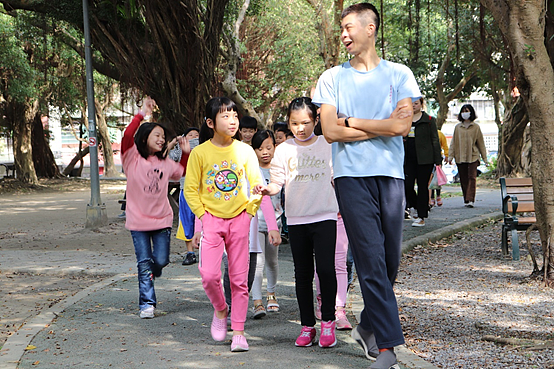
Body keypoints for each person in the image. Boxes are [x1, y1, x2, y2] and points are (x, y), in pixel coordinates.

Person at [312, 3, 420, 368]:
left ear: (370, 28)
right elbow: (329, 131)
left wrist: (354, 122)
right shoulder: (331, 78)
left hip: (391, 175)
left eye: (348, 27)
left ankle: (366, 326)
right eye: (341, 28)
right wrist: (380, 125)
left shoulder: (399, 74)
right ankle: (388, 348)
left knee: (389, 261)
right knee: (371, 259)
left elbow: (402, 127)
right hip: (351, 178)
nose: (343, 35)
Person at [254, 97, 338, 349]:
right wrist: (267, 188)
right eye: (294, 123)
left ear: (316, 120)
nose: (300, 128)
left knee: (325, 269)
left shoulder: (328, 143)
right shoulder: (284, 149)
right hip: (298, 219)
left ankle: (328, 321)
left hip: (325, 216)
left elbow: (338, 177)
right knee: (302, 274)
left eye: (305, 122)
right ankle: (307, 326)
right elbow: (277, 181)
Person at [184, 97, 263, 352]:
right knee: (209, 275)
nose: (232, 121)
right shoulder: (199, 152)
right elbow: (190, 190)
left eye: (235, 115)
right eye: (225, 116)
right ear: (210, 122)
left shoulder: (245, 150)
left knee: (239, 280)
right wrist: (204, 217)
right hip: (212, 220)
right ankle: (220, 309)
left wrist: (250, 212)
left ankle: (238, 330)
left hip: (240, 218)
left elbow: (256, 184)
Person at [121, 97, 190, 319]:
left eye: (163, 136)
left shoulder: (165, 163)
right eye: (157, 136)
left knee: (160, 260)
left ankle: (155, 269)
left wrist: (186, 152)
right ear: (144, 138)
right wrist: (141, 114)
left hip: (161, 221)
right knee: (143, 263)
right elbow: (126, 136)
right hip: (138, 222)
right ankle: (147, 304)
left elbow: (182, 171)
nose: (162, 140)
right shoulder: (131, 158)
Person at [250, 130, 283, 317]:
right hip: (254, 223)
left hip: (275, 223)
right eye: (260, 148)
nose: (265, 152)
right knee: (258, 263)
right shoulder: (251, 169)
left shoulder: (279, 170)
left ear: (275, 148)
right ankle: (257, 301)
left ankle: (271, 294)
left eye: (268, 148)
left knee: (272, 261)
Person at [403, 97, 442, 227]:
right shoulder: (404, 120)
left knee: (422, 187)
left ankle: (421, 216)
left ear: (421, 104)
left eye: (416, 103)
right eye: (411, 103)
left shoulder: (429, 121)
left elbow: (435, 141)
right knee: (407, 185)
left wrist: (438, 160)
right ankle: (417, 206)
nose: (414, 106)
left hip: (425, 159)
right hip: (408, 158)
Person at [448, 104, 488, 208]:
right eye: (463, 111)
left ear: (471, 113)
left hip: (473, 156)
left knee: (472, 177)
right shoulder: (457, 127)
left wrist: (485, 159)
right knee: (463, 178)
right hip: (460, 156)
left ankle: (471, 199)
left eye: (467, 111)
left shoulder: (476, 127)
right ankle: (466, 198)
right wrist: (450, 156)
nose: (465, 113)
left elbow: (481, 143)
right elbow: (453, 143)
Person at [173, 127, 200, 265]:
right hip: (186, 190)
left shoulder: (205, 149)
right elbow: (171, 158)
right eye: (190, 135)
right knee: (186, 222)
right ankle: (190, 253)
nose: (194, 137)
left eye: (197, 135)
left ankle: (205, 250)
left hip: (203, 191)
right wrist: (175, 143)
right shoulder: (179, 150)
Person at [429, 128, 448, 207]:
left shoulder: (439, 134)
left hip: (438, 158)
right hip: (428, 158)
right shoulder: (426, 133)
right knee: (430, 178)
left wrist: (446, 155)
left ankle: (438, 196)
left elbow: (445, 145)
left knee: (438, 177)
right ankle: (432, 197)